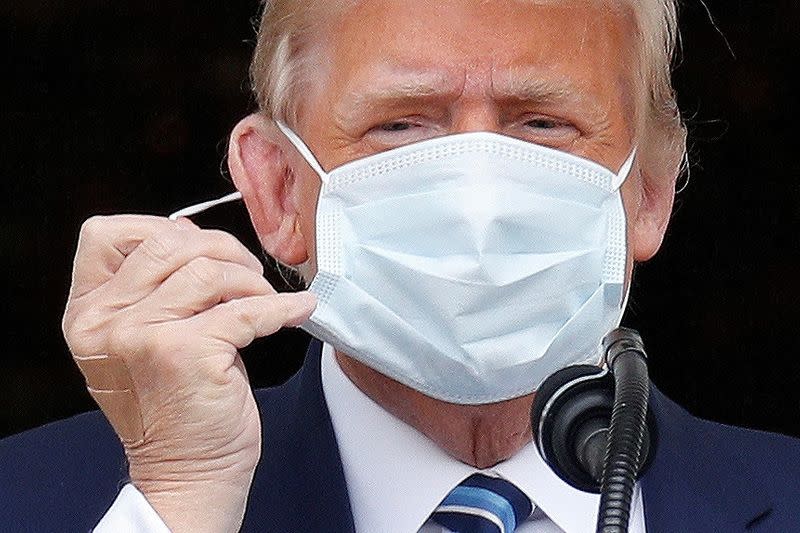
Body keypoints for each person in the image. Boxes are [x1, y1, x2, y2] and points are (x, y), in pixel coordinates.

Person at [2, 0, 800, 531]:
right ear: (278, 191)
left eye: (544, 122)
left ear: (651, 189)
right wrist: (178, 505)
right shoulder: (40, 499)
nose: (479, 196)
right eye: (402, 124)